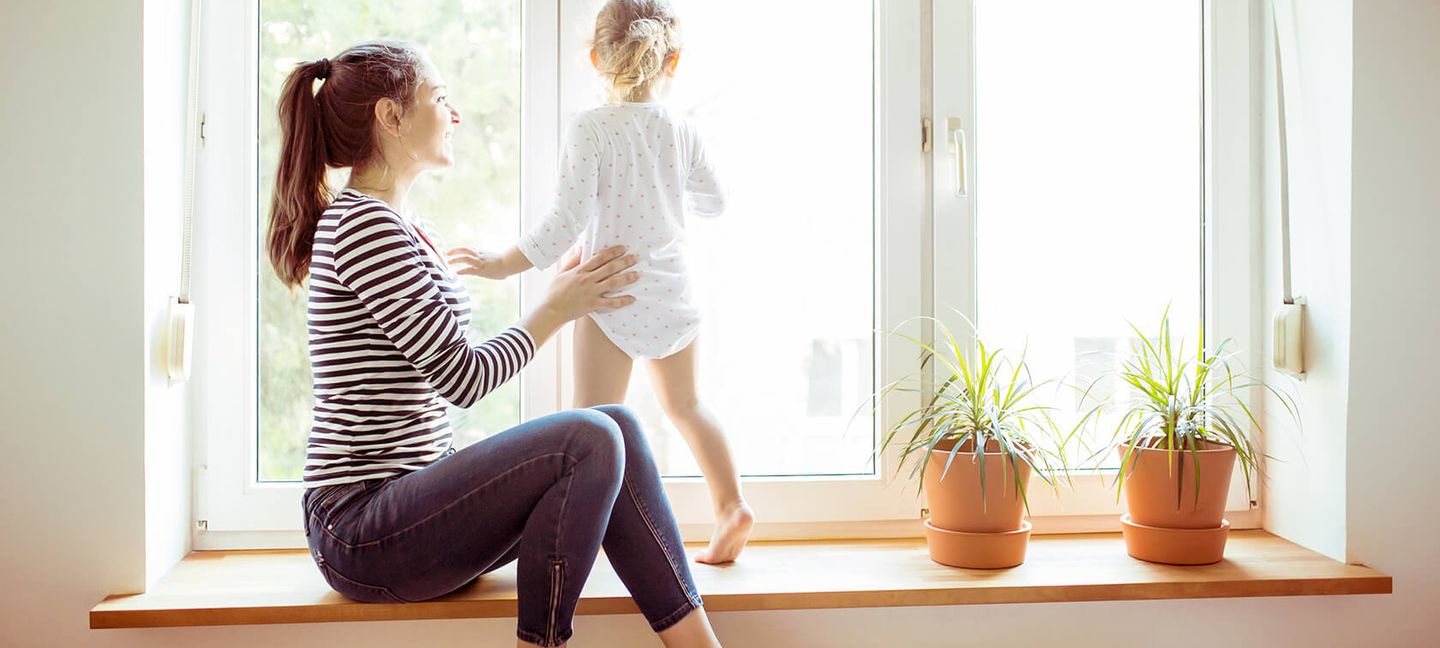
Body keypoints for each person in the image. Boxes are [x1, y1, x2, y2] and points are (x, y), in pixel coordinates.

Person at [266, 39, 722, 648]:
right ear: (390, 116)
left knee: (616, 423)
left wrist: (563, 291)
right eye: (440, 98)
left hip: (405, 512)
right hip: (360, 530)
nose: (454, 115)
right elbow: (463, 378)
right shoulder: (363, 227)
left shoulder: (402, 225)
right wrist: (557, 307)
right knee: (589, 435)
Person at [448, 0, 753, 565]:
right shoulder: (682, 130)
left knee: (590, 425)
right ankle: (732, 505)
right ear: (674, 61)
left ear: (595, 59)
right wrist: (664, 192)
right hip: (673, 290)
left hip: (608, 290)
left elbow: (562, 227)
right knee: (686, 405)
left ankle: (583, 544)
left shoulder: (589, 129)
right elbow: (715, 202)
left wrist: (497, 264)